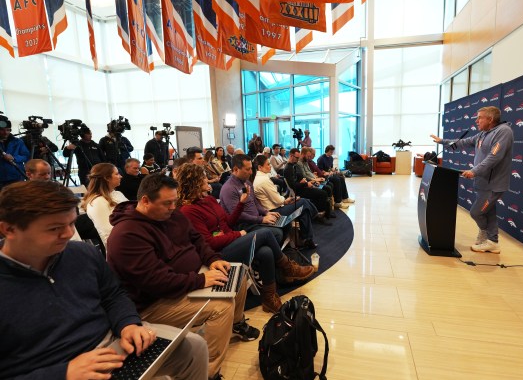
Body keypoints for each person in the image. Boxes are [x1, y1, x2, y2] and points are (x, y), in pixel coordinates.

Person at [0, 180, 208, 380]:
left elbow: (113, 294)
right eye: (54, 228)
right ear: (9, 229)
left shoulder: (81, 253)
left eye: (72, 223)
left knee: (193, 347)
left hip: (114, 343)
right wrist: (62, 373)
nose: (68, 233)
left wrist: (128, 323)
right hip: (55, 368)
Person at [106, 174, 259, 380]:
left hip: (186, 280)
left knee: (236, 274)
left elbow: (197, 239)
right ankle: (209, 372)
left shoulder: (170, 214)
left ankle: (237, 323)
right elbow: (157, 282)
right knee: (220, 308)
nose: (172, 207)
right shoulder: (126, 235)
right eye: (167, 203)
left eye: (174, 201)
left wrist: (212, 259)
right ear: (145, 201)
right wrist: (201, 281)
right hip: (154, 303)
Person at [176, 163, 315, 313]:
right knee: (267, 233)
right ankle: (288, 268)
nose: (206, 179)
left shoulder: (208, 200)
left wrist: (241, 204)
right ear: (195, 182)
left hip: (229, 241)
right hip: (217, 255)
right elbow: (208, 242)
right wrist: (237, 234)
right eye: (203, 177)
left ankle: (268, 299)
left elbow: (227, 223)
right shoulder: (188, 210)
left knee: (266, 252)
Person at [430, 106, 513, 254]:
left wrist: (474, 171)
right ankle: (492, 241)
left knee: (476, 212)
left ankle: (486, 235)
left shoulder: (503, 132)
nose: (476, 121)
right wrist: (442, 141)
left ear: (490, 119)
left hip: (494, 184)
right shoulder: (483, 134)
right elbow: (464, 142)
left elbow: (494, 157)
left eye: (480, 117)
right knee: (489, 213)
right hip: (482, 183)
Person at [253, 154, 320, 248]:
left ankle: (308, 239)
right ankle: (315, 217)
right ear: (260, 167)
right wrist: (285, 200)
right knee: (304, 202)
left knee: (303, 209)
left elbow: (277, 199)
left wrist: (285, 200)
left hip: (274, 208)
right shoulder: (263, 180)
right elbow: (278, 200)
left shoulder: (261, 178)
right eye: (268, 164)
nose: (270, 166)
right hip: (274, 212)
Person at [219, 154, 285, 243]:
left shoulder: (247, 182)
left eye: (251, 168)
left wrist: (266, 212)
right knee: (277, 232)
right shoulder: (229, 188)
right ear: (235, 169)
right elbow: (237, 216)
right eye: (248, 169)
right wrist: (261, 219)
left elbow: (255, 202)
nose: (251, 172)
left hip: (254, 220)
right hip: (243, 225)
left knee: (283, 223)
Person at [283, 148, 335, 221]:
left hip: (302, 187)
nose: (298, 159)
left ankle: (325, 213)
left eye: (298, 157)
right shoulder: (288, 168)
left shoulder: (292, 165)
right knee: (322, 193)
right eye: (297, 157)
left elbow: (300, 177)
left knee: (323, 191)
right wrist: (306, 184)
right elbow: (293, 186)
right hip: (299, 191)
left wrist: (306, 181)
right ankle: (319, 215)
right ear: (291, 156)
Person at [82, 163, 127, 247]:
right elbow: (108, 234)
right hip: (121, 245)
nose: (121, 176)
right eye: (117, 174)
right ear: (107, 178)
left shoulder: (117, 193)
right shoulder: (97, 202)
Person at [0, 118, 29, 189]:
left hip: (16, 176)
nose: (5, 132)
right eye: (2, 130)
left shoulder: (18, 142)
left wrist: (14, 158)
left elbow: (26, 156)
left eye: (8, 130)